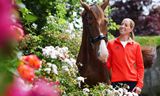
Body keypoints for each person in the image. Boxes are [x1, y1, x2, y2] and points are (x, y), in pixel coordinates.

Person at [106, 18, 144, 95]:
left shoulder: (136, 46)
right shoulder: (111, 44)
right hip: (116, 83)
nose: (122, 26)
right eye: (122, 24)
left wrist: (139, 85)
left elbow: (140, 67)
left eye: (126, 25)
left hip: (132, 83)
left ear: (131, 29)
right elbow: (107, 65)